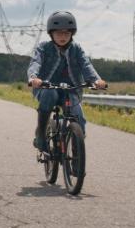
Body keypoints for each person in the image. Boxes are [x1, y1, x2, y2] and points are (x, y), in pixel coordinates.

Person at [27, 11, 107, 152]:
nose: (62, 37)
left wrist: (97, 80)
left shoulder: (77, 49)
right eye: (58, 33)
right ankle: (41, 134)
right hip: (47, 87)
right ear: (51, 34)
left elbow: (86, 65)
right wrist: (34, 78)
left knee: (79, 117)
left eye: (66, 33)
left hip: (71, 89)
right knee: (49, 95)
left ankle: (77, 155)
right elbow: (36, 62)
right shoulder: (43, 48)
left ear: (72, 34)